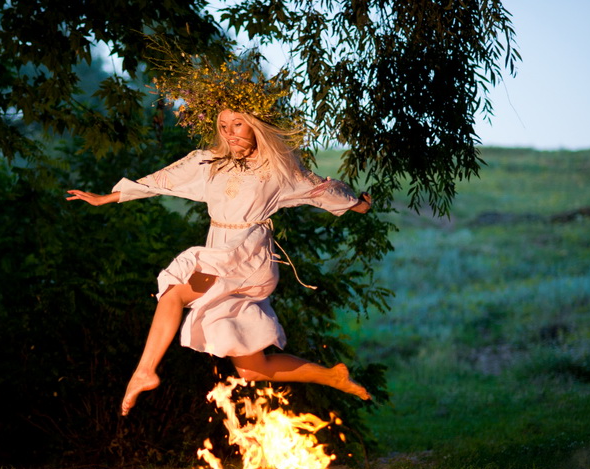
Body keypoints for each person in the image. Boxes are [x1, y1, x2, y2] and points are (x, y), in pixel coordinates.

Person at [67, 106, 374, 416]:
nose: (229, 133)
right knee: (252, 370)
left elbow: (319, 188)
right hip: (222, 255)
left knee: (174, 292)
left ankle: (144, 372)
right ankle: (332, 376)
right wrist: (107, 198)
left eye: (238, 124)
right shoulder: (209, 162)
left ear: (255, 126)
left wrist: (357, 204)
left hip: (246, 257)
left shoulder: (278, 168)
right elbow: (162, 181)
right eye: (224, 126)